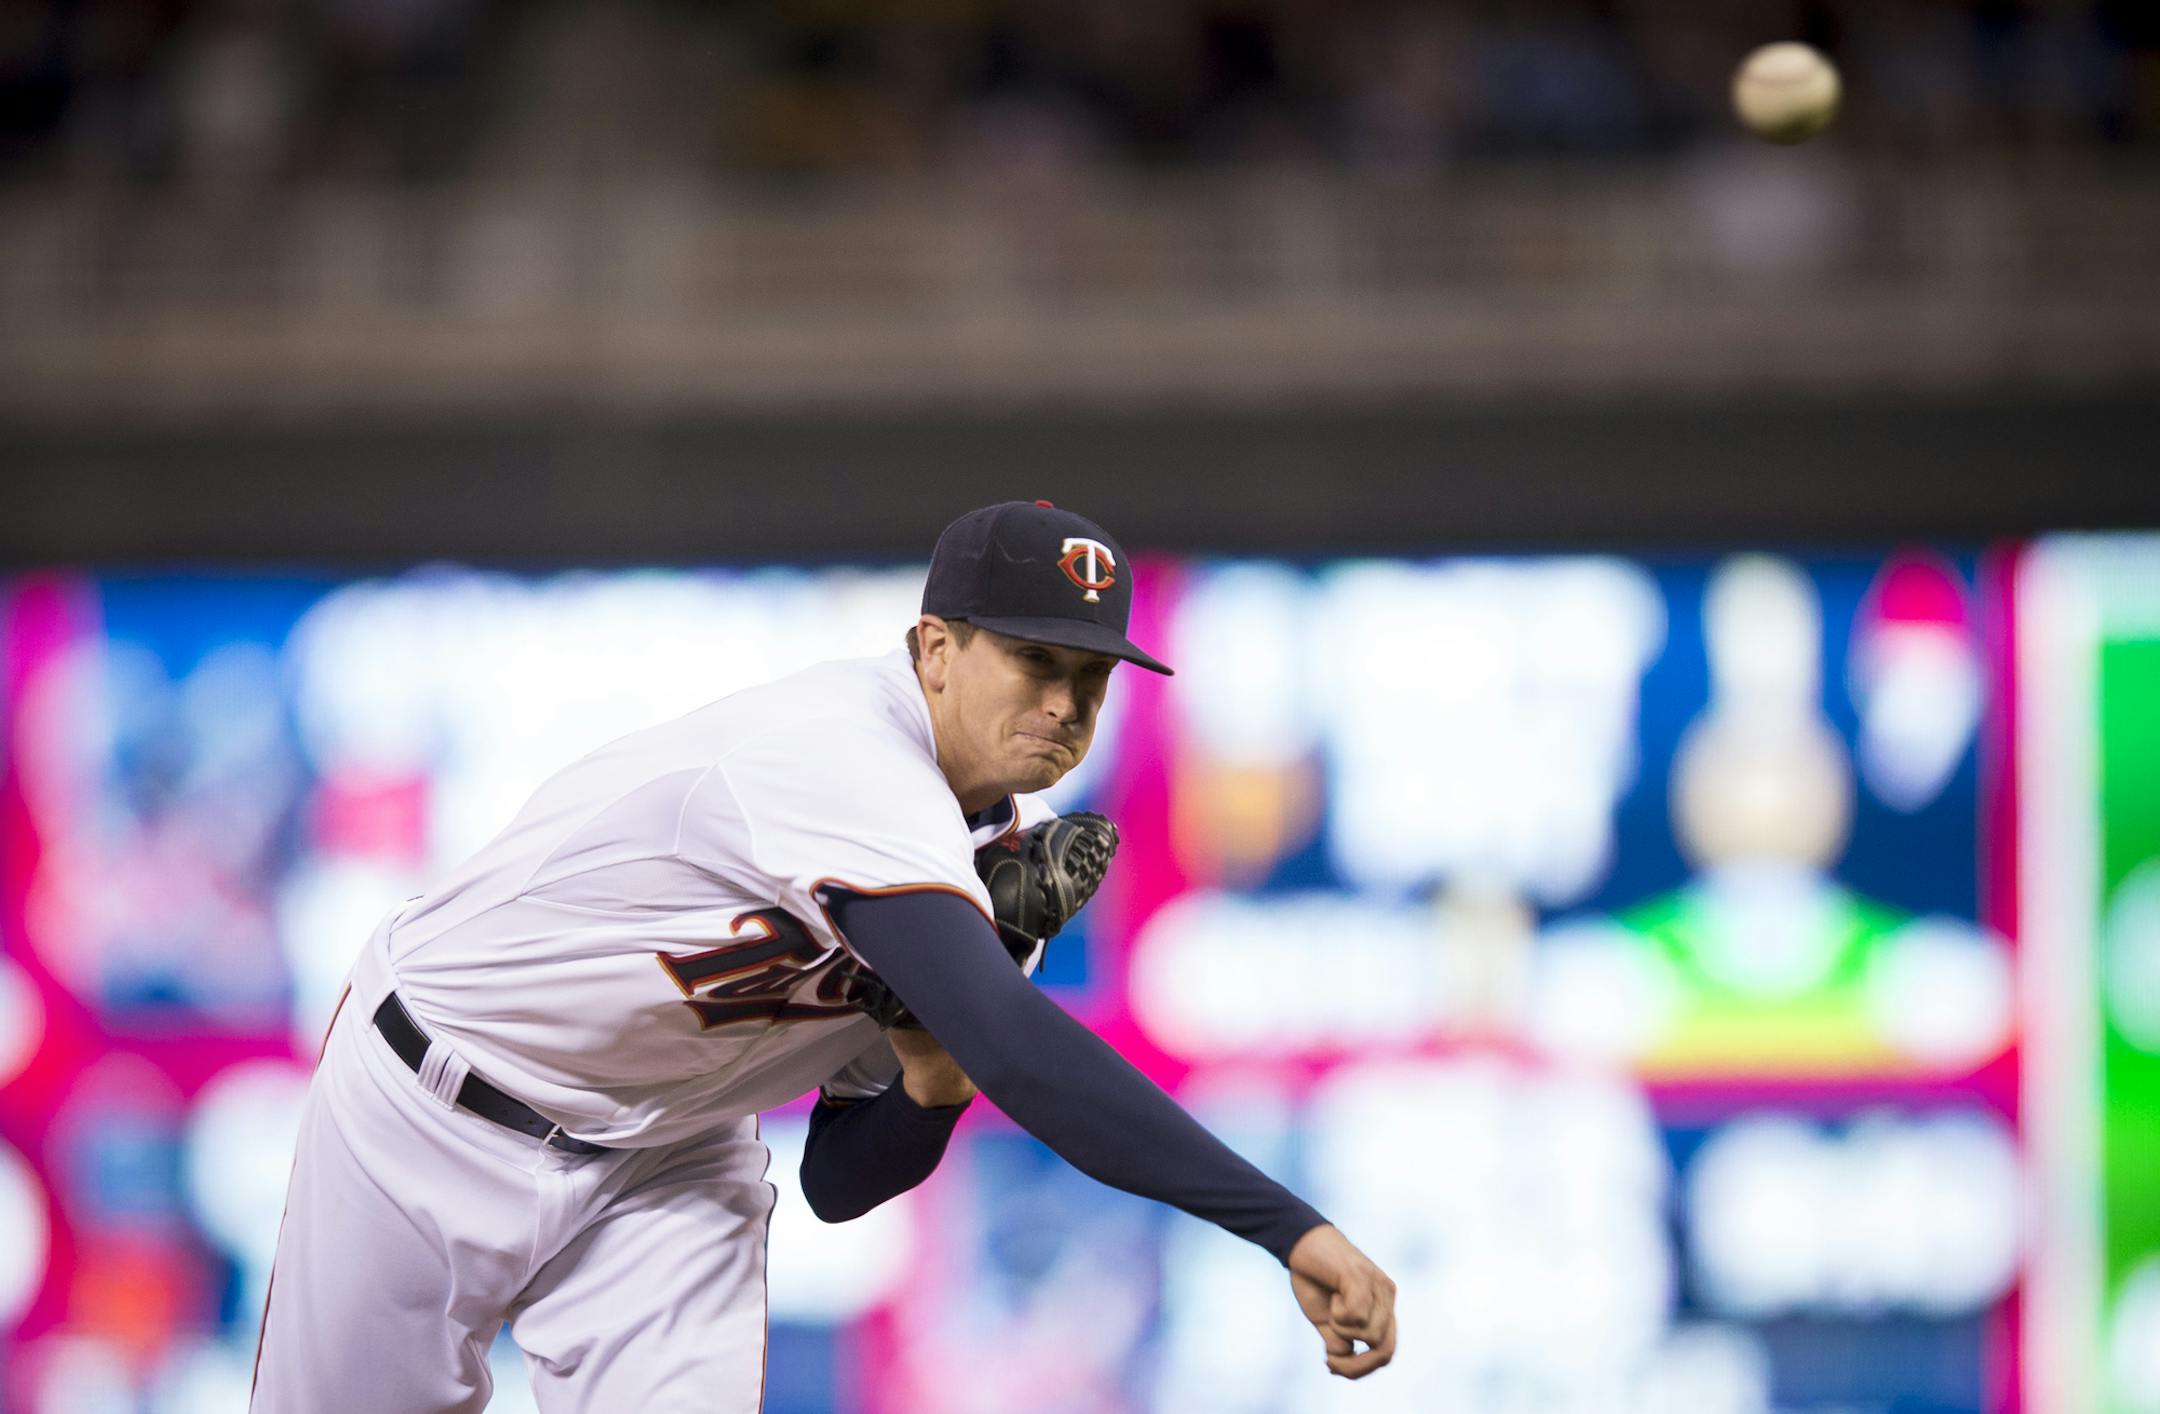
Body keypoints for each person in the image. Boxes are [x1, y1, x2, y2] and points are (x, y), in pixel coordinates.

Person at [250, 500, 1398, 1412]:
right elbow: (1022, 1051)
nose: (1064, 703)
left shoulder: (991, 881)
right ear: (934, 649)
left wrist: (929, 1079)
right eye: (1035, 662)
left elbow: (843, 1184)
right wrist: (1285, 1223)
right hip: (431, 1099)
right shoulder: (845, 750)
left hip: (662, 1160)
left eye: (1089, 679)